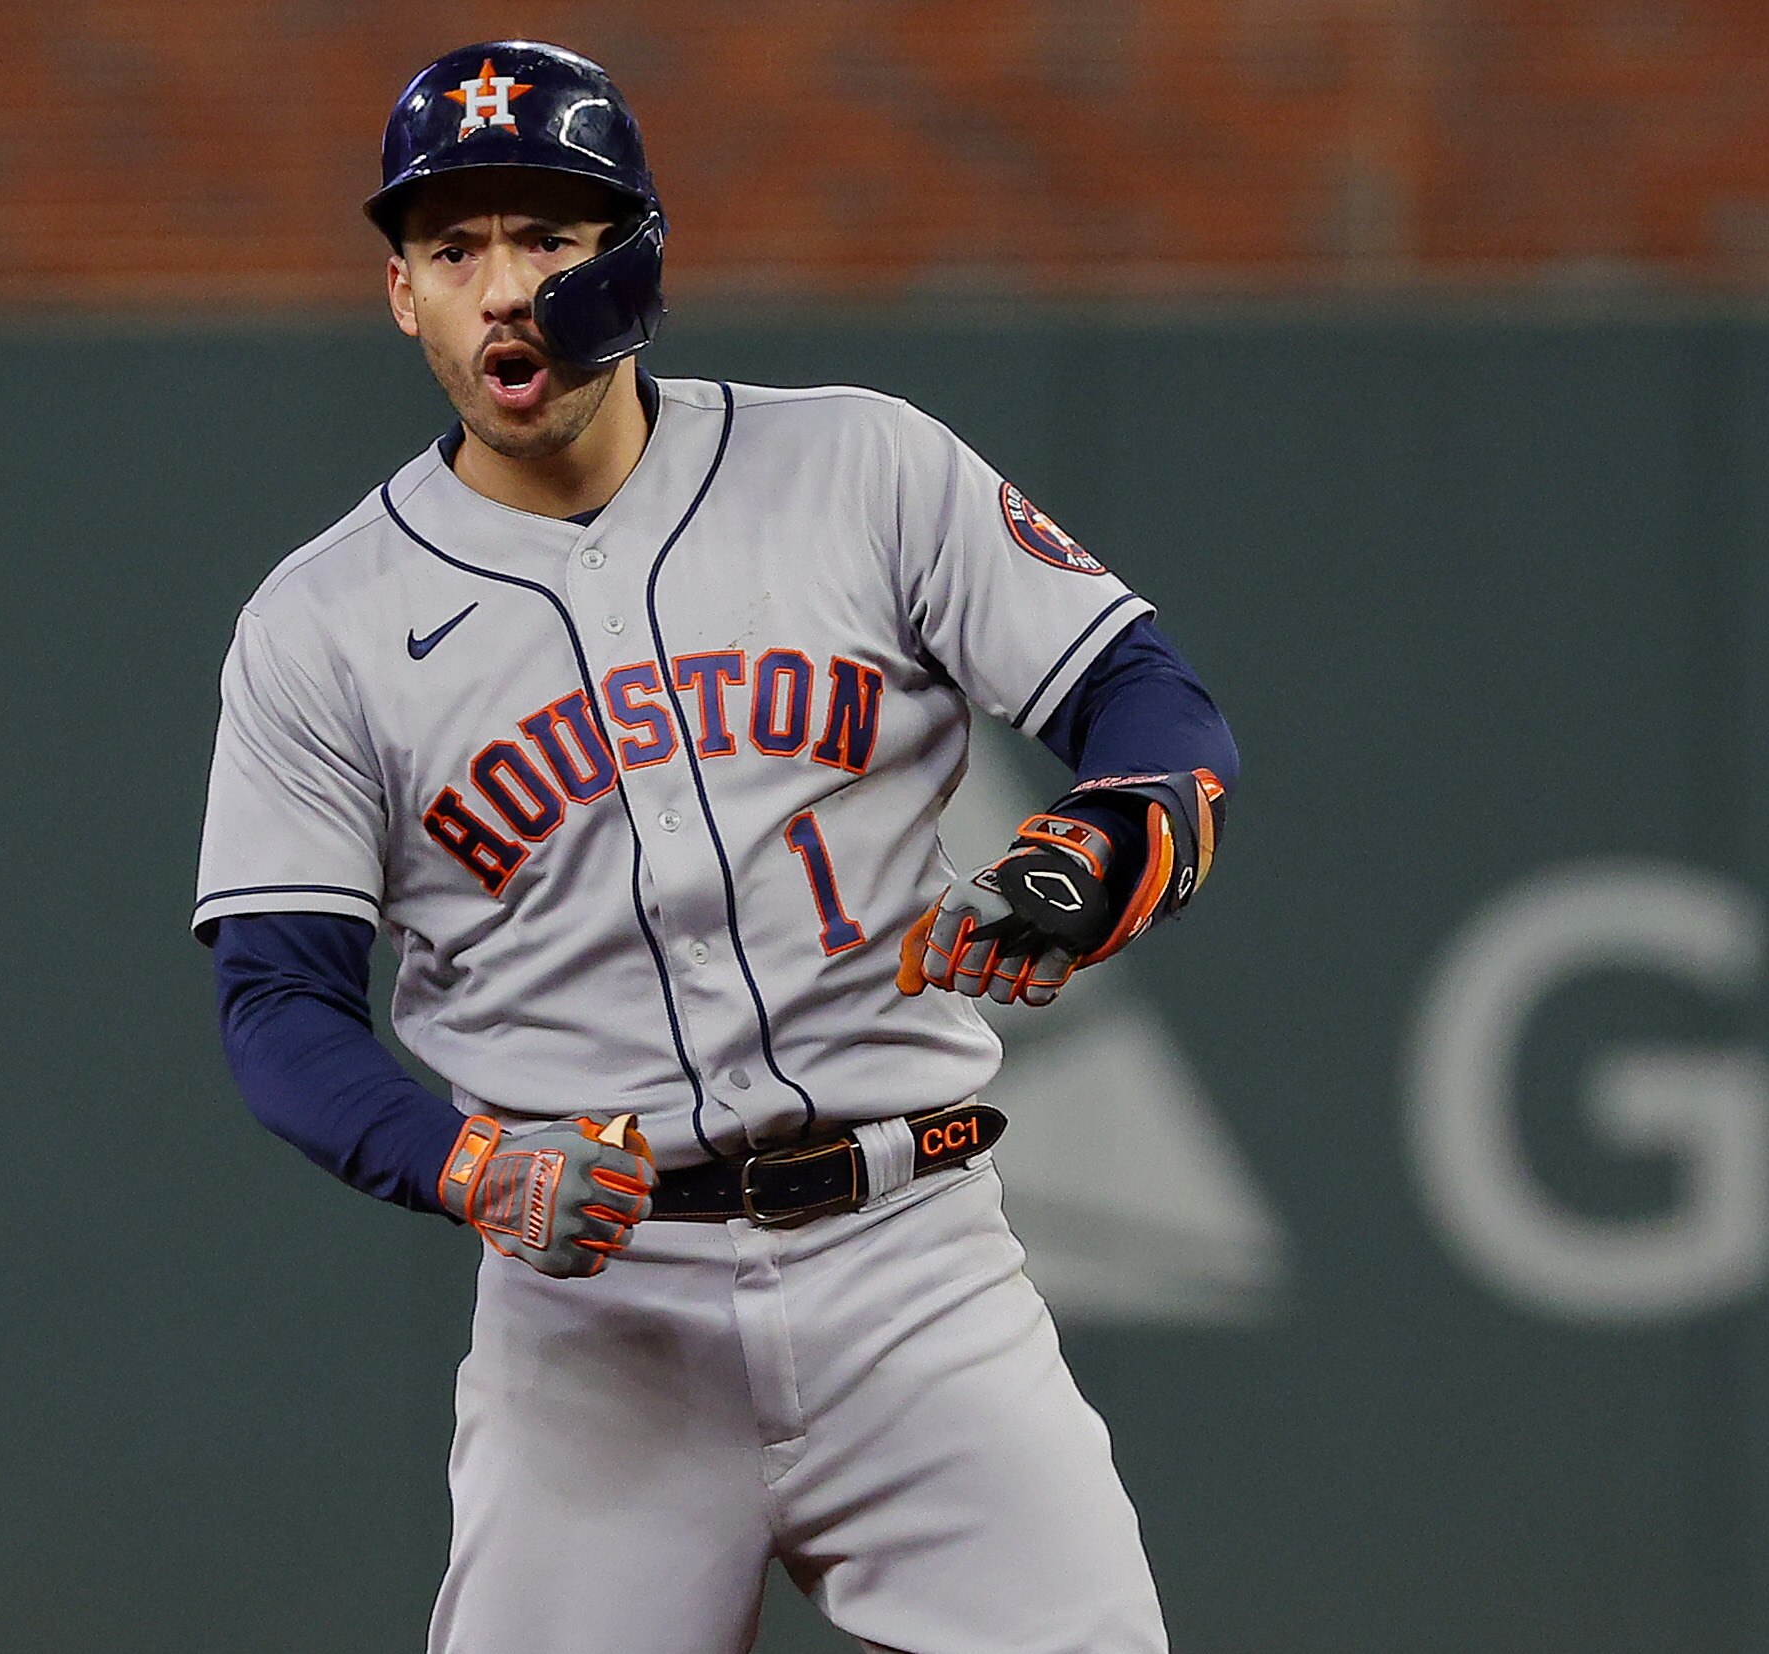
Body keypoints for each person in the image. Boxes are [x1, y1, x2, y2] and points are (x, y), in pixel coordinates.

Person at [194, 39, 1236, 1654]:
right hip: (595, 1319)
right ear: (398, 292)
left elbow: (1149, 705)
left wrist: (1091, 851)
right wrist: (467, 1162)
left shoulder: (859, 468)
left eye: (546, 236)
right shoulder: (321, 624)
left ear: (635, 260)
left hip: (913, 1261)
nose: (498, 289)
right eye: (451, 249)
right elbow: (277, 1006)